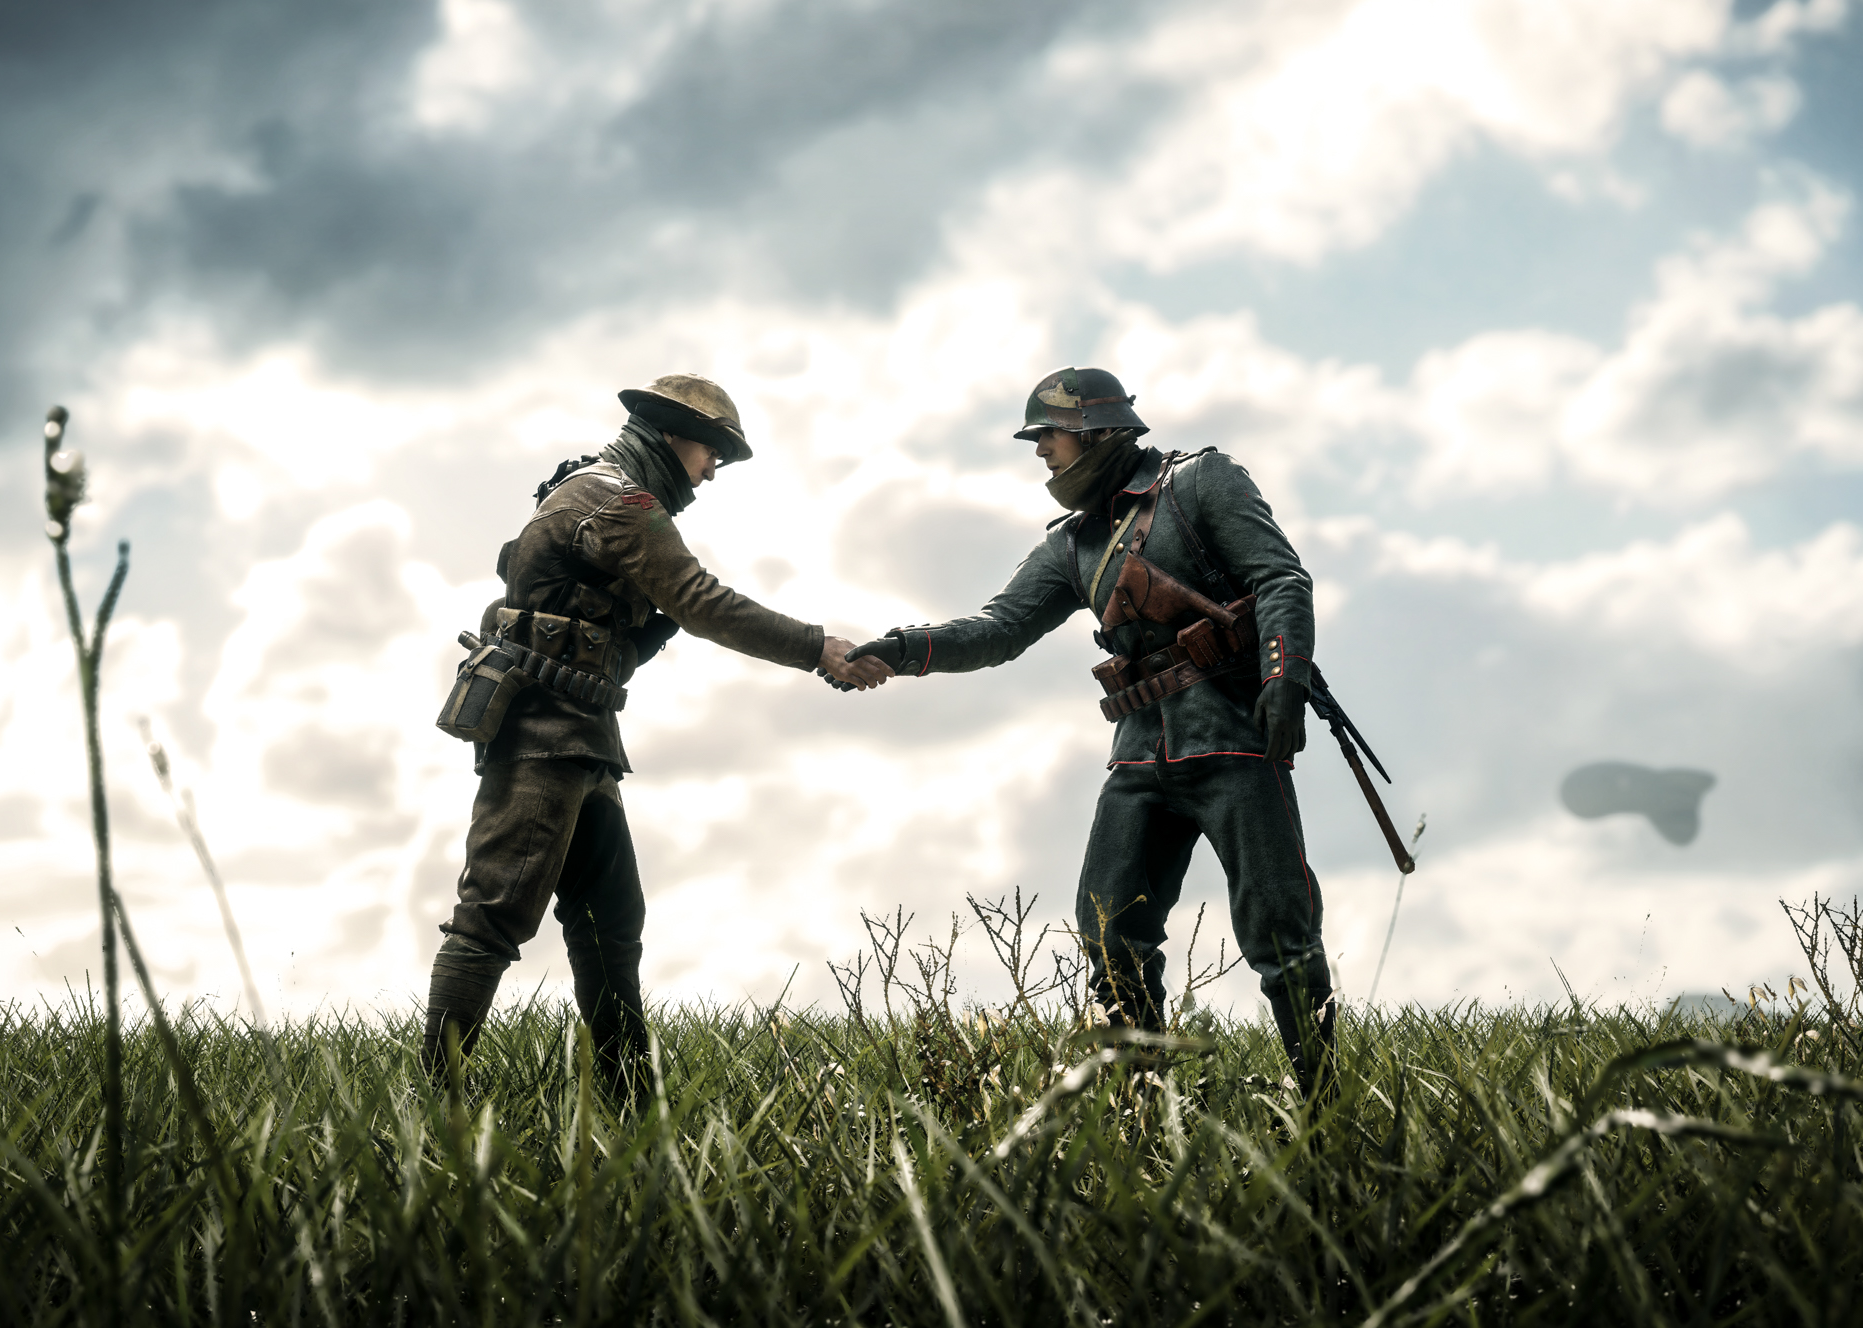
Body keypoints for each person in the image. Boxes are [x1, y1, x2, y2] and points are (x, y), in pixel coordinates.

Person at [845, 367, 1340, 1097]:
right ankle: (1145, 1107)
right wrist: (900, 647)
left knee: (1280, 933)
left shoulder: (1202, 481)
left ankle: (1325, 1105)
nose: (1041, 451)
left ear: (1099, 431)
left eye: (1050, 435)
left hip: (1233, 738)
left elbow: (1279, 581)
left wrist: (1283, 679)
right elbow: (998, 630)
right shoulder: (1075, 544)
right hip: (1139, 756)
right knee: (1109, 933)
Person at [425, 374, 890, 1097]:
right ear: (676, 436)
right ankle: (436, 1097)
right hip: (546, 737)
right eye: (713, 454)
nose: (714, 472)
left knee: (612, 922)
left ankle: (631, 1101)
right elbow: (701, 600)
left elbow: (634, 622)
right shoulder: (616, 501)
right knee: (494, 912)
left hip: (583, 737)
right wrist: (816, 647)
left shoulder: (599, 493)